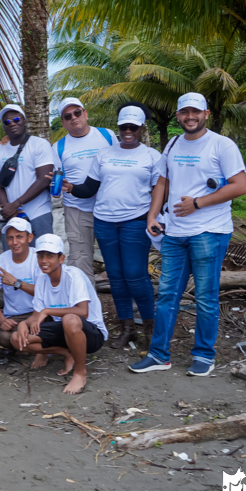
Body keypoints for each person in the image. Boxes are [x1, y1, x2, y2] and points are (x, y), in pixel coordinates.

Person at [130, 92, 246, 376]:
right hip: (175, 233)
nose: (190, 117)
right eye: (184, 112)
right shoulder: (172, 144)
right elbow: (162, 181)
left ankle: (204, 355)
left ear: (206, 114)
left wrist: (197, 203)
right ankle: (159, 354)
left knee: (206, 296)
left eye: (195, 112)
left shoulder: (222, 145)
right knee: (168, 294)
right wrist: (151, 215)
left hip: (209, 231)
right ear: (178, 116)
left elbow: (240, 185)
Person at [62, 103, 161, 350]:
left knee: (136, 276)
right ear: (118, 128)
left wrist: (155, 215)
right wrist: (71, 187)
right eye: (123, 126)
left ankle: (150, 329)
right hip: (105, 222)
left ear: (140, 128)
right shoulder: (105, 154)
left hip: (135, 221)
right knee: (116, 278)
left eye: (133, 127)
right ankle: (128, 329)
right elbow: (90, 188)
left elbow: (162, 189)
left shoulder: (151, 156)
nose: (128, 131)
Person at [11, 234, 108, 394]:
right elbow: (37, 318)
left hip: (91, 334)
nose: (44, 260)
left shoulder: (73, 275)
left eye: (50, 256)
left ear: (61, 258)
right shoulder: (42, 280)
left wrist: (47, 311)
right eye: (41, 255)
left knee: (70, 319)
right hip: (65, 331)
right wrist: (23, 324)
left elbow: (83, 312)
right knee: (17, 339)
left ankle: (80, 373)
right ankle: (66, 353)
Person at [51, 98, 116, 283]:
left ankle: (127, 306)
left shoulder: (107, 135)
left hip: (109, 209)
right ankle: (86, 308)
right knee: (80, 260)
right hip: (77, 210)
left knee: (116, 258)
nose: (73, 117)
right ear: (63, 122)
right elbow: (56, 178)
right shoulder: (58, 147)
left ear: (85, 114)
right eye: (67, 116)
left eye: (77, 112)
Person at [0, 103, 55, 247]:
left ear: (25, 122)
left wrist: (16, 204)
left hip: (38, 213)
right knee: (13, 263)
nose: (12, 123)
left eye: (16, 119)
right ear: (3, 127)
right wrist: (7, 207)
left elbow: (44, 179)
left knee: (43, 259)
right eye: (7, 122)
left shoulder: (39, 144)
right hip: (12, 216)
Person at [0, 217, 40, 350]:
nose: (14, 242)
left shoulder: (38, 258)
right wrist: (1, 319)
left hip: (38, 312)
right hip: (14, 317)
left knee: (39, 330)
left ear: (30, 237)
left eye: (19, 237)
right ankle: (28, 345)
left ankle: (32, 348)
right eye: (10, 238)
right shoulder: (0, 261)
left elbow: (44, 292)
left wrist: (16, 283)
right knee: (3, 338)